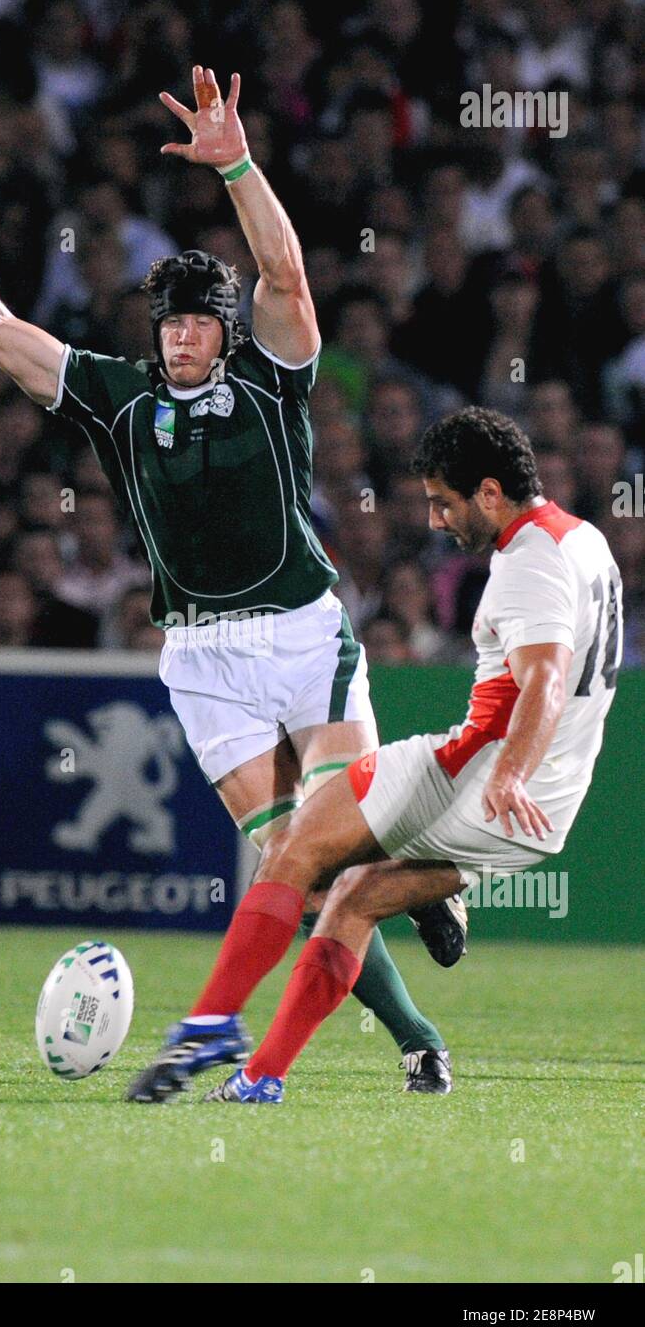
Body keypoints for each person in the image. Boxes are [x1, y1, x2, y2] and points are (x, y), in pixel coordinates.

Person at [0, 69, 463, 1105]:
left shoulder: (272, 379)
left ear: (224, 331)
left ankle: (416, 881)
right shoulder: (116, 401)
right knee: (295, 877)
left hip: (308, 636)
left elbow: (289, 275)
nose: (181, 335)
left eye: (199, 322)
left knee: (341, 852)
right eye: (168, 322)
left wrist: (240, 166)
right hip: (202, 657)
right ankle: (418, 1036)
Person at [202, 408, 622, 1102]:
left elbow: (545, 677)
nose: (435, 521)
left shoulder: (530, 562)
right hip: (542, 819)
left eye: (443, 502)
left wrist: (509, 770)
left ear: (491, 493)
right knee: (353, 901)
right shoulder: (586, 542)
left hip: (470, 777)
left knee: (291, 851)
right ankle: (261, 1078)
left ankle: (211, 1025)